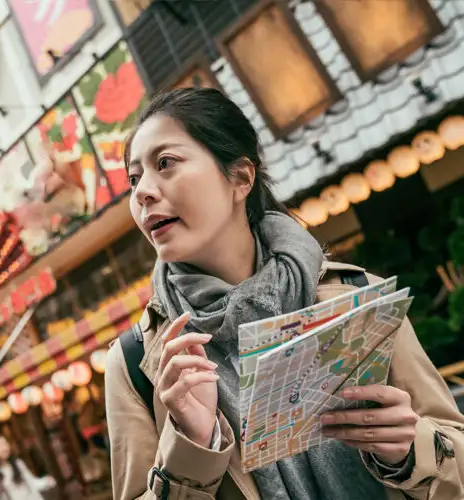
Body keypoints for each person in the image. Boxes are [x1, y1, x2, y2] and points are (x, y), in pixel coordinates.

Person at [104, 88, 464, 499]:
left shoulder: (355, 294)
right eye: (134, 179)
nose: (142, 192)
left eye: (165, 163)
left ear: (239, 177)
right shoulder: (137, 361)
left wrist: (408, 450)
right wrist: (192, 446)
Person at [0, 435, 56, 500]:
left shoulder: (18, 464)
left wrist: (46, 481)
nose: (4, 447)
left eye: (5, 443)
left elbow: (32, 483)